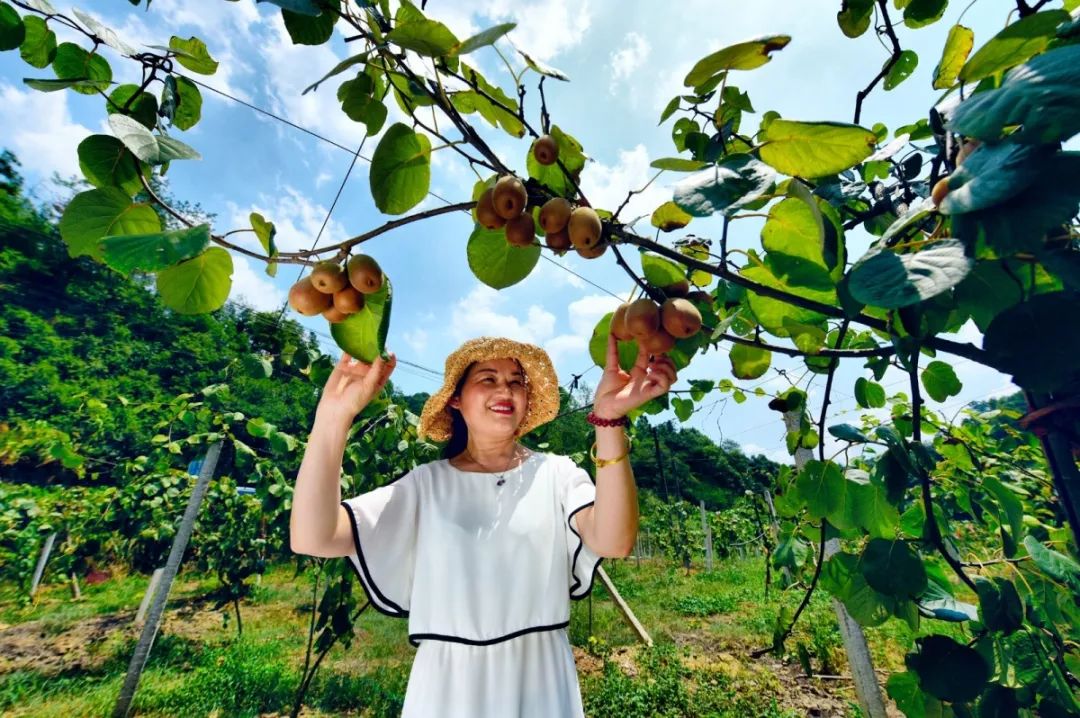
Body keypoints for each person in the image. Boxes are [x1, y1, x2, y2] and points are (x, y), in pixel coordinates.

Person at [290, 333, 677, 717]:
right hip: (447, 692)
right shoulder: (427, 485)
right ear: (456, 399)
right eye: (487, 379)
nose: (504, 390)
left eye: (515, 382)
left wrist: (608, 421)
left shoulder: (556, 474)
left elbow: (614, 541)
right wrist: (333, 416)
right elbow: (314, 536)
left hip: (541, 686)